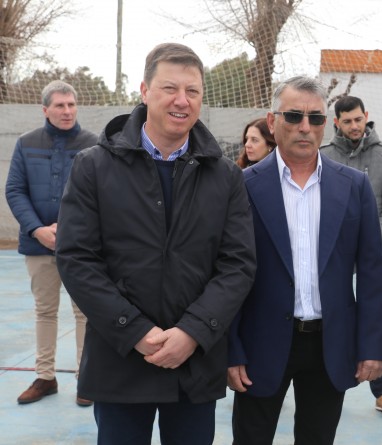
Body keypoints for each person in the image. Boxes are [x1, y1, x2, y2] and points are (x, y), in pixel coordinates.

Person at [55, 43, 257, 444]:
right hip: (120, 360)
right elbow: (76, 259)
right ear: (145, 91)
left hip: (194, 365)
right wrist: (135, 332)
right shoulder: (93, 166)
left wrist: (192, 333)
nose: (182, 100)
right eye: (170, 88)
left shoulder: (225, 176)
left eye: (192, 91)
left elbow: (238, 264)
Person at [227, 76, 382, 445]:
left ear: (325, 124)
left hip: (330, 345)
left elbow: (371, 273)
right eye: (294, 116)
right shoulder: (242, 186)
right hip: (260, 344)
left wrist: (372, 346)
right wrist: (231, 349)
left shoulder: (354, 186)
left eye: (315, 118)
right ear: (272, 122)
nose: (305, 127)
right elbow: (228, 272)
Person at [5, 80, 97, 407]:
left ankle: (86, 379)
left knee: (85, 313)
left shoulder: (94, 145)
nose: (67, 111)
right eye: (59, 105)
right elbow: (15, 190)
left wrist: (70, 229)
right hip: (38, 246)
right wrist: (37, 230)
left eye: (71, 104)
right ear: (45, 109)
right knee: (45, 311)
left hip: (82, 247)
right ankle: (45, 377)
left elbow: (100, 194)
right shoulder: (26, 143)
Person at [320, 95, 382, 414]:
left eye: (358, 119)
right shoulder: (323, 156)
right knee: (330, 319)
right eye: (347, 121)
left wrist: (369, 242)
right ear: (336, 123)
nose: (354, 126)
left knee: (377, 320)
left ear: (366, 116)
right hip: (334, 259)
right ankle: (325, 379)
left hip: (376, 256)